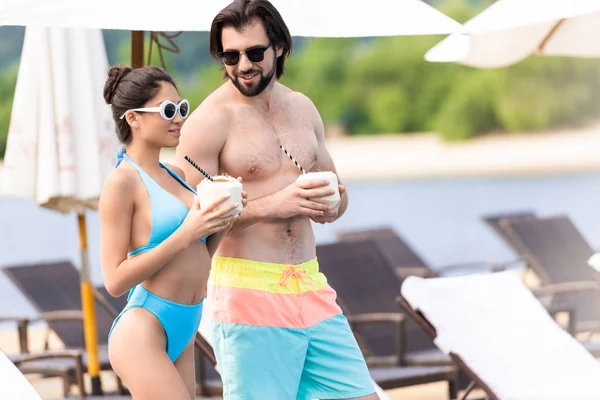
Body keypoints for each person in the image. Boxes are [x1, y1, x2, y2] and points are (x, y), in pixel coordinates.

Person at [175, 1, 379, 399]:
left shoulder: (302, 108)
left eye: (254, 52)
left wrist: (335, 203)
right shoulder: (207, 123)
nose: (243, 65)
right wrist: (275, 205)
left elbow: (336, 193)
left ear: (279, 47)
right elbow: (190, 222)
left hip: (311, 285)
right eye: (230, 56)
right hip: (247, 296)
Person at [99, 65, 244, 400]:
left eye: (182, 109)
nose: (179, 119)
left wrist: (223, 219)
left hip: (187, 322)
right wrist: (187, 231)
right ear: (133, 118)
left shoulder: (177, 173)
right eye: (168, 111)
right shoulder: (122, 182)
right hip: (145, 326)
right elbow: (115, 281)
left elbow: (198, 253)